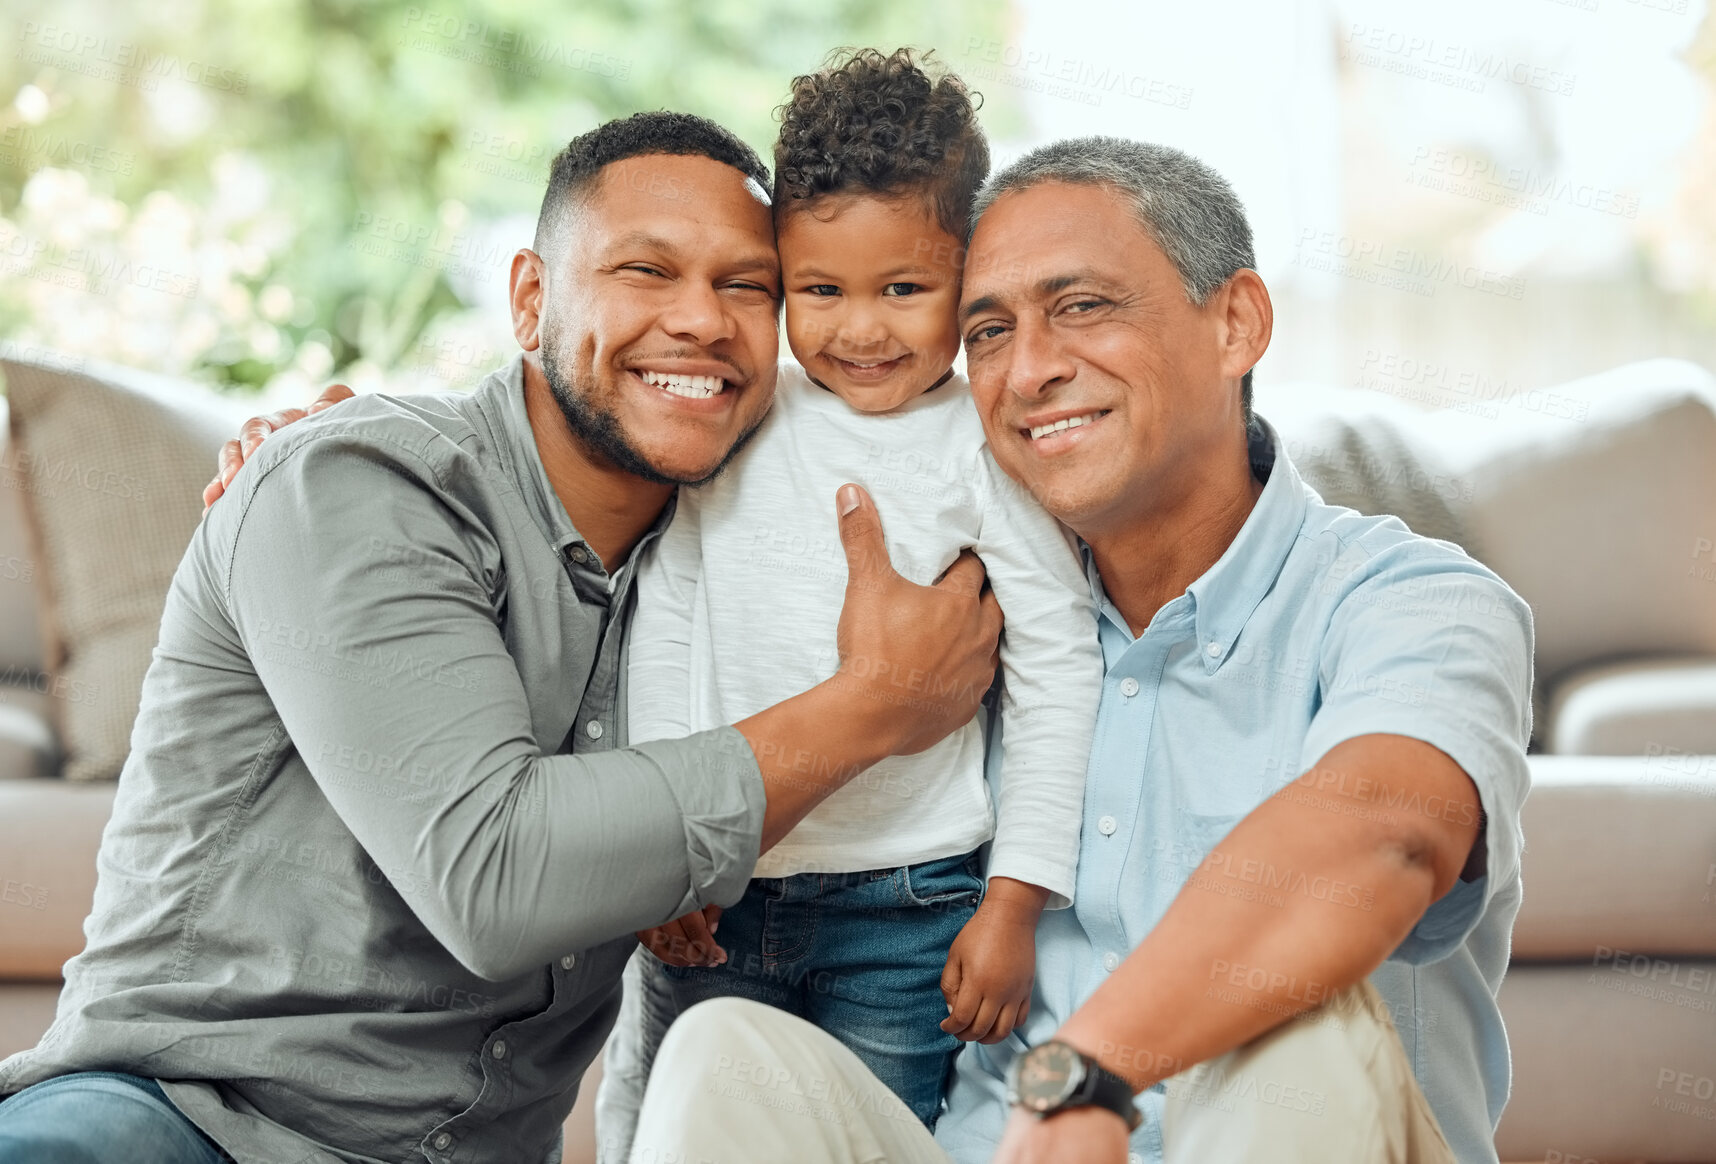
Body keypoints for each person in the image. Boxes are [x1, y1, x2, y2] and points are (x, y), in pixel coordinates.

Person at [0, 112, 1002, 1164]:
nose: (702, 321)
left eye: (747, 287)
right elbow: (495, 876)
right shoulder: (355, 488)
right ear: (531, 300)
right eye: (646, 270)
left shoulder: (722, 558)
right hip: (192, 1124)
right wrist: (869, 707)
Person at [625, 136, 1534, 1164]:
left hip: (1247, 1131)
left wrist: (1087, 1070)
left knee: (1302, 1027)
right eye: (989, 331)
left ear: (1236, 323)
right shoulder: (972, 624)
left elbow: (1382, 836)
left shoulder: (1417, 604)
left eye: (1083, 308)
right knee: (720, 1049)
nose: (1031, 371)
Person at [594, 48, 1101, 1158]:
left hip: (906, 906)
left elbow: (1061, 662)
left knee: (868, 1138)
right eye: (820, 291)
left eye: (903, 290)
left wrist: (1015, 901)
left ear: (966, 273)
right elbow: (670, 612)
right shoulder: (742, 417)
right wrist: (665, 846)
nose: (859, 331)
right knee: (683, 1119)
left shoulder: (982, 445)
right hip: (720, 892)